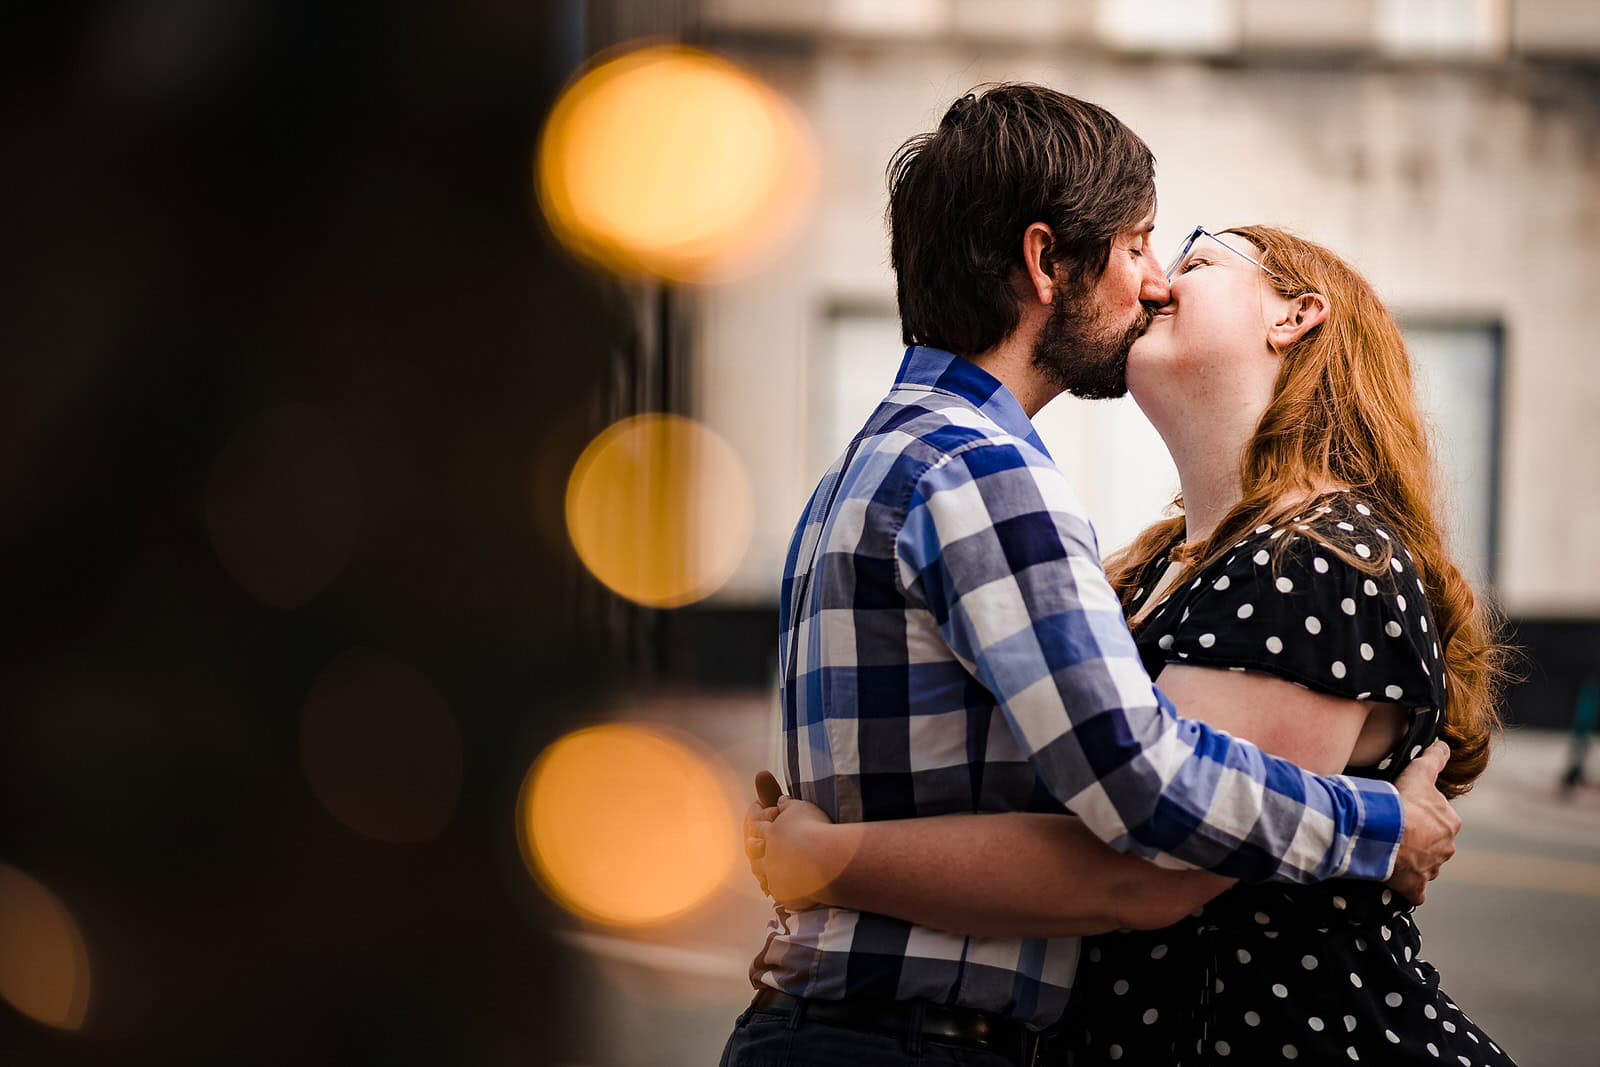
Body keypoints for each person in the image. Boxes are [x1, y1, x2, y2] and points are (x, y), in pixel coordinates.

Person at [719, 83, 1463, 1067]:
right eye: (1143, 243)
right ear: (1043, 261)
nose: (1153, 282)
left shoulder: (875, 462)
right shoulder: (982, 471)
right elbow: (1139, 783)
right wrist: (1381, 826)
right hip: (905, 1037)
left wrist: (827, 857)